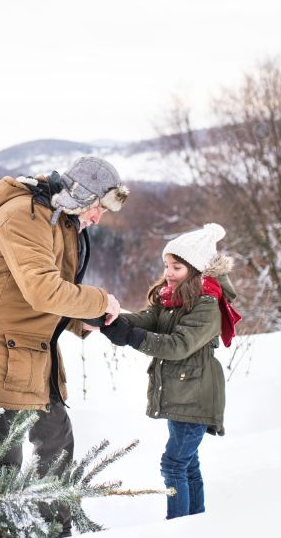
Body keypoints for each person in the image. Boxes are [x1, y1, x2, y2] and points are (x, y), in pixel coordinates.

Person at [0, 157, 129, 532]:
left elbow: (44, 297)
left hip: (28, 352)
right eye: (99, 208)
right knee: (6, 451)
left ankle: (50, 526)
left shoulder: (57, 220)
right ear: (82, 196)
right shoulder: (24, 215)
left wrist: (84, 321)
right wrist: (100, 301)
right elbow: (41, 290)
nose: (98, 219)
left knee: (54, 439)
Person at [87, 223, 241, 520]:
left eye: (177, 267)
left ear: (196, 269)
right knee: (187, 464)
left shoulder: (207, 304)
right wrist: (111, 320)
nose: (168, 273)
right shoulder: (173, 299)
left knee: (173, 465)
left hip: (196, 395)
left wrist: (132, 338)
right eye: (166, 265)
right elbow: (146, 320)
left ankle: (178, 525)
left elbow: (179, 345)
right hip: (180, 393)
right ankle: (195, 521)